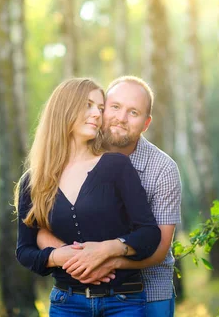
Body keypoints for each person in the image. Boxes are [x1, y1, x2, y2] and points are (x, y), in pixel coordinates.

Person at [37, 76, 182, 317]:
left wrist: (105, 262)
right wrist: (79, 262)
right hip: (80, 290)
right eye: (114, 107)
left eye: (133, 112)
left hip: (150, 291)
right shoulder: (75, 153)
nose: (121, 118)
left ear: (146, 124)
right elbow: (41, 224)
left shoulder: (162, 169)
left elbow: (160, 247)